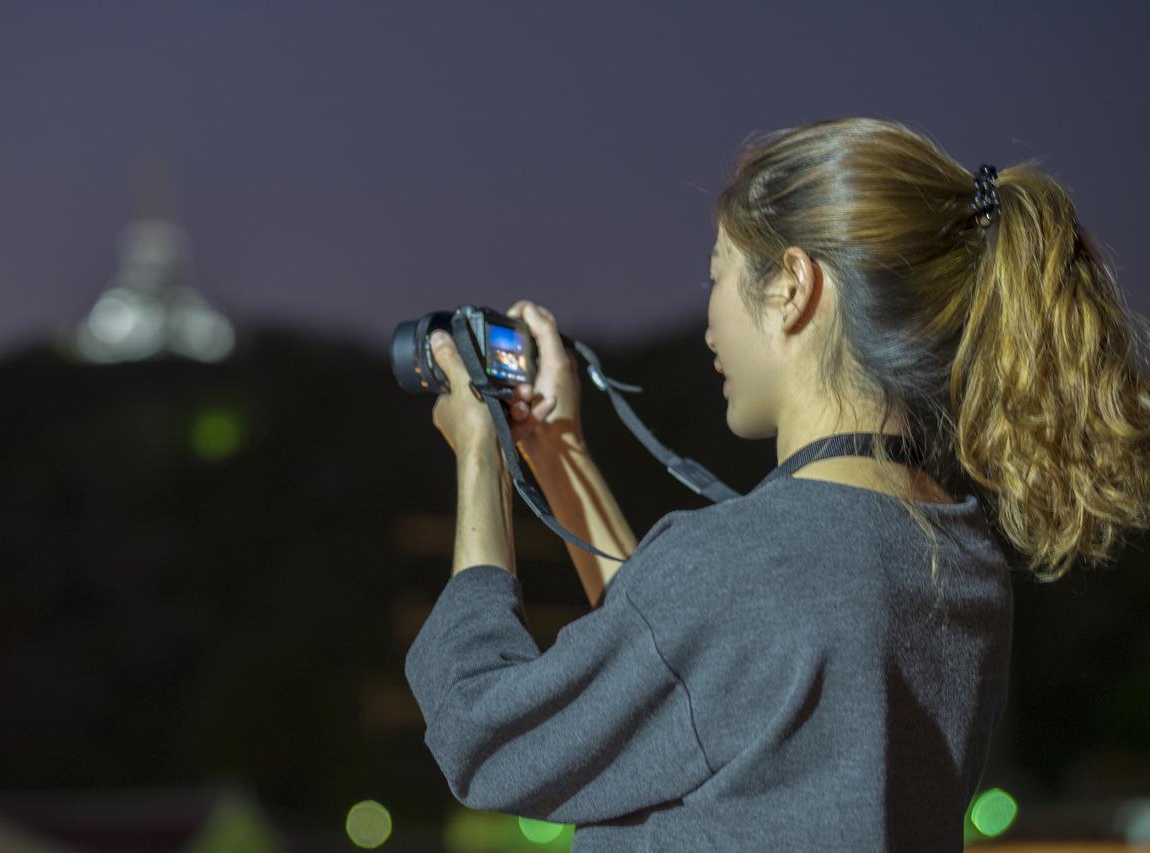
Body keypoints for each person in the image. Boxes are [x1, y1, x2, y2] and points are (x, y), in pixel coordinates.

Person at [403, 117, 1150, 851]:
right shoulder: (959, 556)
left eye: (718, 274)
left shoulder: (750, 570)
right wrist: (558, 453)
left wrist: (481, 451)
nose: (708, 325)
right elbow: (694, 679)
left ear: (792, 286)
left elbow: (484, 734)